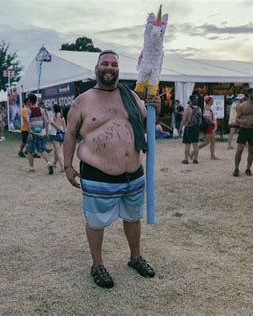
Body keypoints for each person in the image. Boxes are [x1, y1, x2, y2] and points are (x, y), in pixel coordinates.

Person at [64, 50, 159, 289]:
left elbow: (147, 125)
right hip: (97, 174)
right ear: (96, 68)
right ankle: (97, 264)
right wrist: (67, 166)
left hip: (133, 173)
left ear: (119, 69)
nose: (109, 67)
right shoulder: (82, 100)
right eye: (104, 63)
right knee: (96, 222)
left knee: (133, 217)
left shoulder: (131, 96)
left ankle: (135, 257)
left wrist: (156, 107)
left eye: (114, 64)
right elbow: (70, 134)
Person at [233, 88, 253, 177]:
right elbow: (237, 118)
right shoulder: (242, 106)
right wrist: (242, 121)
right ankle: (236, 168)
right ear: (249, 94)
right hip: (244, 129)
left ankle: (248, 168)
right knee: (240, 150)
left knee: (251, 151)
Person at [24, 93, 54, 174]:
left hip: (33, 133)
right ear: (36, 100)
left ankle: (32, 168)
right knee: (43, 150)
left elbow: (28, 121)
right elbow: (47, 122)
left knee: (30, 151)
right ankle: (49, 163)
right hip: (41, 133)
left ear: (29, 101)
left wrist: (29, 132)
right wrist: (47, 133)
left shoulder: (28, 110)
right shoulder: (41, 110)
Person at [179, 95, 201, 164]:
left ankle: (186, 159)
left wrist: (180, 129)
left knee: (187, 144)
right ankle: (195, 159)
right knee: (195, 144)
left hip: (189, 127)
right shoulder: (199, 108)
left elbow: (184, 119)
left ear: (190, 101)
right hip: (196, 128)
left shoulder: (188, 109)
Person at [49, 104, 66, 172]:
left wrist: (56, 127)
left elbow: (51, 121)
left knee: (58, 151)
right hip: (62, 134)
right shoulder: (62, 116)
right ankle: (55, 163)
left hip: (55, 134)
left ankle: (62, 166)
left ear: (54, 109)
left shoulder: (53, 114)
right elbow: (65, 127)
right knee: (57, 150)